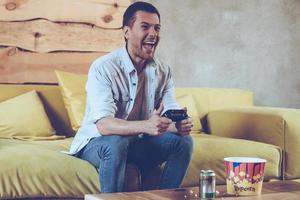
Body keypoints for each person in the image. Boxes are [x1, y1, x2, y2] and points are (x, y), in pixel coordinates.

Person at [68, 1, 194, 193]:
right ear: (127, 32)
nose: (153, 34)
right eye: (145, 27)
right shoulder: (104, 68)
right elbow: (104, 125)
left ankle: (165, 197)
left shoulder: (163, 71)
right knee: (115, 142)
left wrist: (179, 124)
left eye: (157, 28)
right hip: (99, 144)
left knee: (183, 142)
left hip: (137, 143)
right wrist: (146, 125)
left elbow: (168, 114)